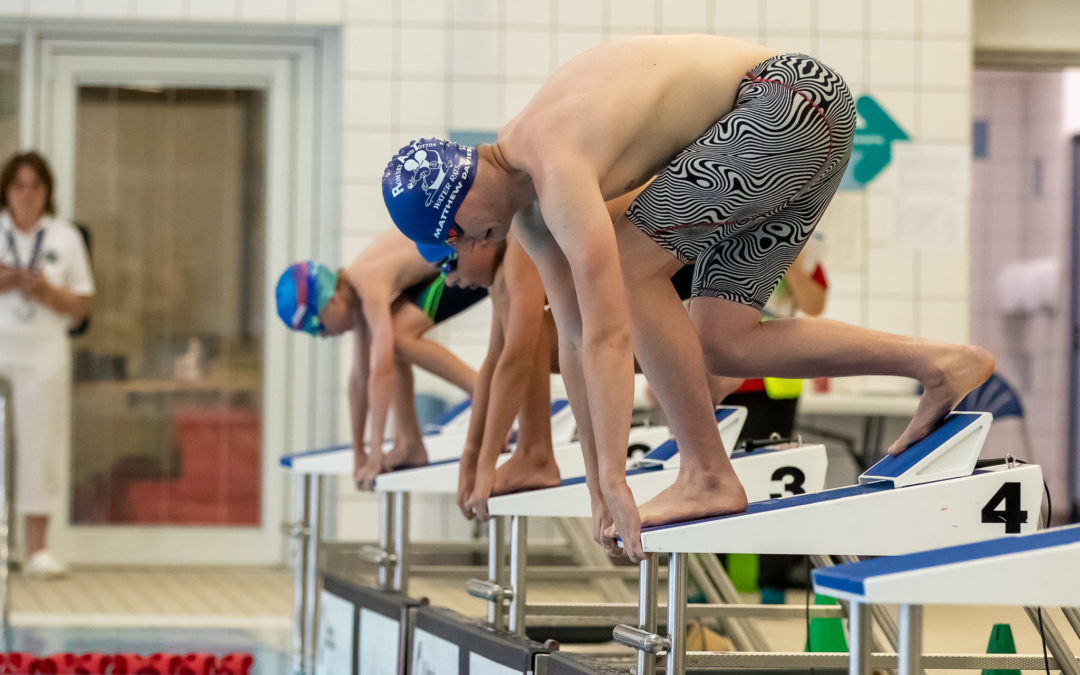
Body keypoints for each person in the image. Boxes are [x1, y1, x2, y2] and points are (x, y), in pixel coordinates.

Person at [382, 36, 993, 563]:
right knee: (724, 341)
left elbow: (610, 334)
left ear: (459, 195)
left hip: (786, 100)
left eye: (453, 234)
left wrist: (619, 474)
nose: (462, 248)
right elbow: (573, 342)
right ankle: (939, 362)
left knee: (625, 266)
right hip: (805, 116)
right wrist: (599, 485)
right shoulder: (533, 217)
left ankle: (706, 474)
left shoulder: (551, 160)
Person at [274, 229, 486, 490]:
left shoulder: (367, 282)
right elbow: (360, 379)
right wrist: (359, 453)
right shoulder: (356, 297)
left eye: (319, 328)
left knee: (396, 337)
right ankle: (409, 442)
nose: (324, 336)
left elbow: (381, 370)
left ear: (332, 302)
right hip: (443, 259)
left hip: (467, 253)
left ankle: (484, 394)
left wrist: (375, 452)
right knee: (394, 335)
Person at [0, 151, 94, 577]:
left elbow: (83, 306)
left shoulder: (65, 236)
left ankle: (36, 548)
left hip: (42, 349)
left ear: (47, 192)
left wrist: (46, 292)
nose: (26, 195)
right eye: (18, 186)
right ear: (6, 190)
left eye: (34, 186)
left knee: (41, 445)